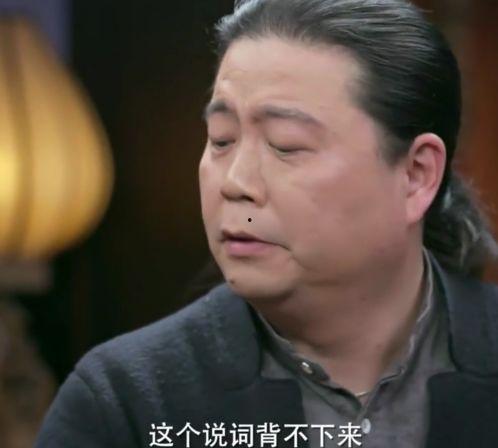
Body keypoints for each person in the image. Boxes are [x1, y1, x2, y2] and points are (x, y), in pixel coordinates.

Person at [35, 0, 498, 447]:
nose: (235, 182)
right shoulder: (124, 403)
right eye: (222, 140)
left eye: (285, 144)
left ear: (416, 175)